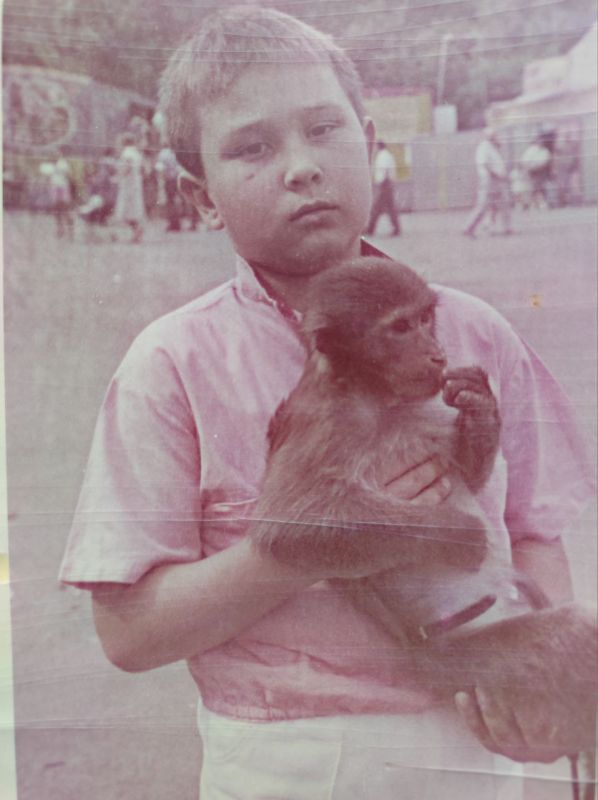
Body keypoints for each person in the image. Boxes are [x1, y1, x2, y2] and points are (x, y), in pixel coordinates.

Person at [59, 7, 596, 799]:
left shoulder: (475, 331)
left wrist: (546, 694)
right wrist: (323, 543)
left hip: (475, 737)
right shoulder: (173, 364)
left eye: (323, 129)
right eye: (252, 147)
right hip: (290, 757)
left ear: (370, 145)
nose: (302, 168)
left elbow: (534, 532)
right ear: (199, 195)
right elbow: (127, 632)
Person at [463, 128, 512, 238]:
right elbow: (484, 164)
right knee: (483, 206)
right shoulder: (483, 147)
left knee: (503, 204)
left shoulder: (493, 147)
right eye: (494, 135)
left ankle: (507, 228)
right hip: (490, 180)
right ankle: (469, 227)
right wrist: (495, 175)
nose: (496, 137)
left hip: (498, 180)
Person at [114, 133, 145, 243]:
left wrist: (119, 176)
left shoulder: (126, 153)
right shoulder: (137, 153)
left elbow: (127, 167)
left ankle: (137, 230)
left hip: (128, 185)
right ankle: (137, 232)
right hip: (136, 184)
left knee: (126, 211)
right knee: (133, 211)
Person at [366, 140, 401, 236]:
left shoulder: (383, 156)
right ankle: (396, 228)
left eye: (375, 146)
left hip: (384, 184)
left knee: (377, 207)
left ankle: (370, 229)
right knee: (389, 207)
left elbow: (384, 170)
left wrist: (381, 184)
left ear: (378, 146)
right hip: (387, 184)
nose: (374, 149)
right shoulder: (387, 155)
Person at [47, 152, 74, 239]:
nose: (53, 156)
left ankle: (70, 230)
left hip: (62, 188)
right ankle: (60, 229)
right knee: (56, 210)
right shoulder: (50, 165)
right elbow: (49, 177)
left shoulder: (63, 163)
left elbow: (68, 175)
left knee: (65, 209)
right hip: (55, 187)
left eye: (55, 155)